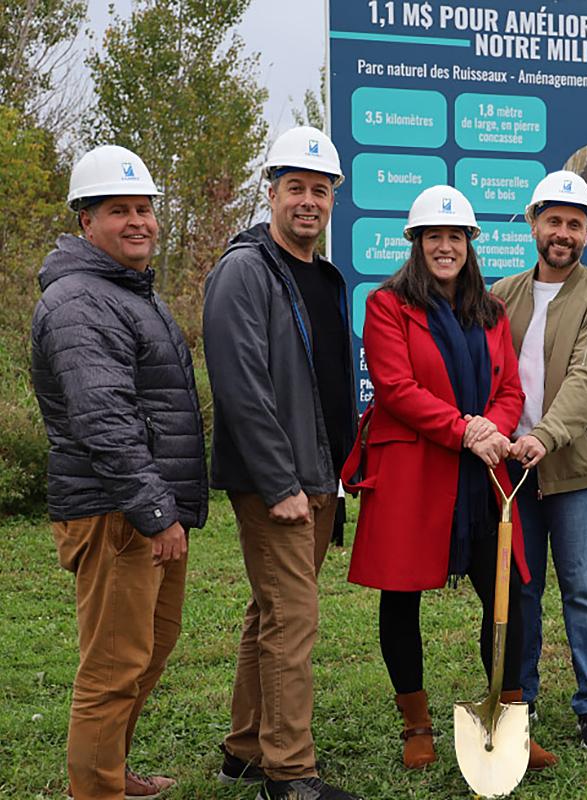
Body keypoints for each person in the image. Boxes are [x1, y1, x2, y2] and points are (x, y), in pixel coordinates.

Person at [340, 185, 557, 769]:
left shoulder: (490, 310)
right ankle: (416, 726)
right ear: (415, 243)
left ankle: (510, 719)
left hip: (480, 476)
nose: (444, 246)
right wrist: (465, 429)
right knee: (401, 597)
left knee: (506, 593)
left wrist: (491, 427)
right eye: (433, 236)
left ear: (469, 244)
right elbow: (395, 388)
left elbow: (509, 388)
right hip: (414, 470)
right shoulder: (387, 304)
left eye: (454, 236)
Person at [31, 145, 207, 800]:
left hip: (142, 509)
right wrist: (156, 511)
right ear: (86, 221)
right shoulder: (80, 301)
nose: (139, 221)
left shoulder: (126, 291)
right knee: (112, 667)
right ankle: (96, 791)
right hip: (117, 513)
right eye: (119, 210)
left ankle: (112, 772)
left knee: (147, 651)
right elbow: (106, 420)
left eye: (145, 208)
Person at [203, 126, 359, 800]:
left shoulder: (324, 275)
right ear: (271, 193)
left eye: (319, 190)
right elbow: (240, 385)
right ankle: (289, 774)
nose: (308, 201)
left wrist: (335, 472)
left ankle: (245, 748)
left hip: (319, 475)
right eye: (295, 187)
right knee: (293, 621)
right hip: (279, 482)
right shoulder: (245, 270)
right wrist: (279, 483)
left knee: (269, 613)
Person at [491, 170, 587, 753]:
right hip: (512, 473)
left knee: (583, 590)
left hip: (574, 470)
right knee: (520, 590)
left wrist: (546, 435)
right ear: (534, 223)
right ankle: (519, 698)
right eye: (554, 221)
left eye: (575, 223)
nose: (563, 233)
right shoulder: (501, 294)